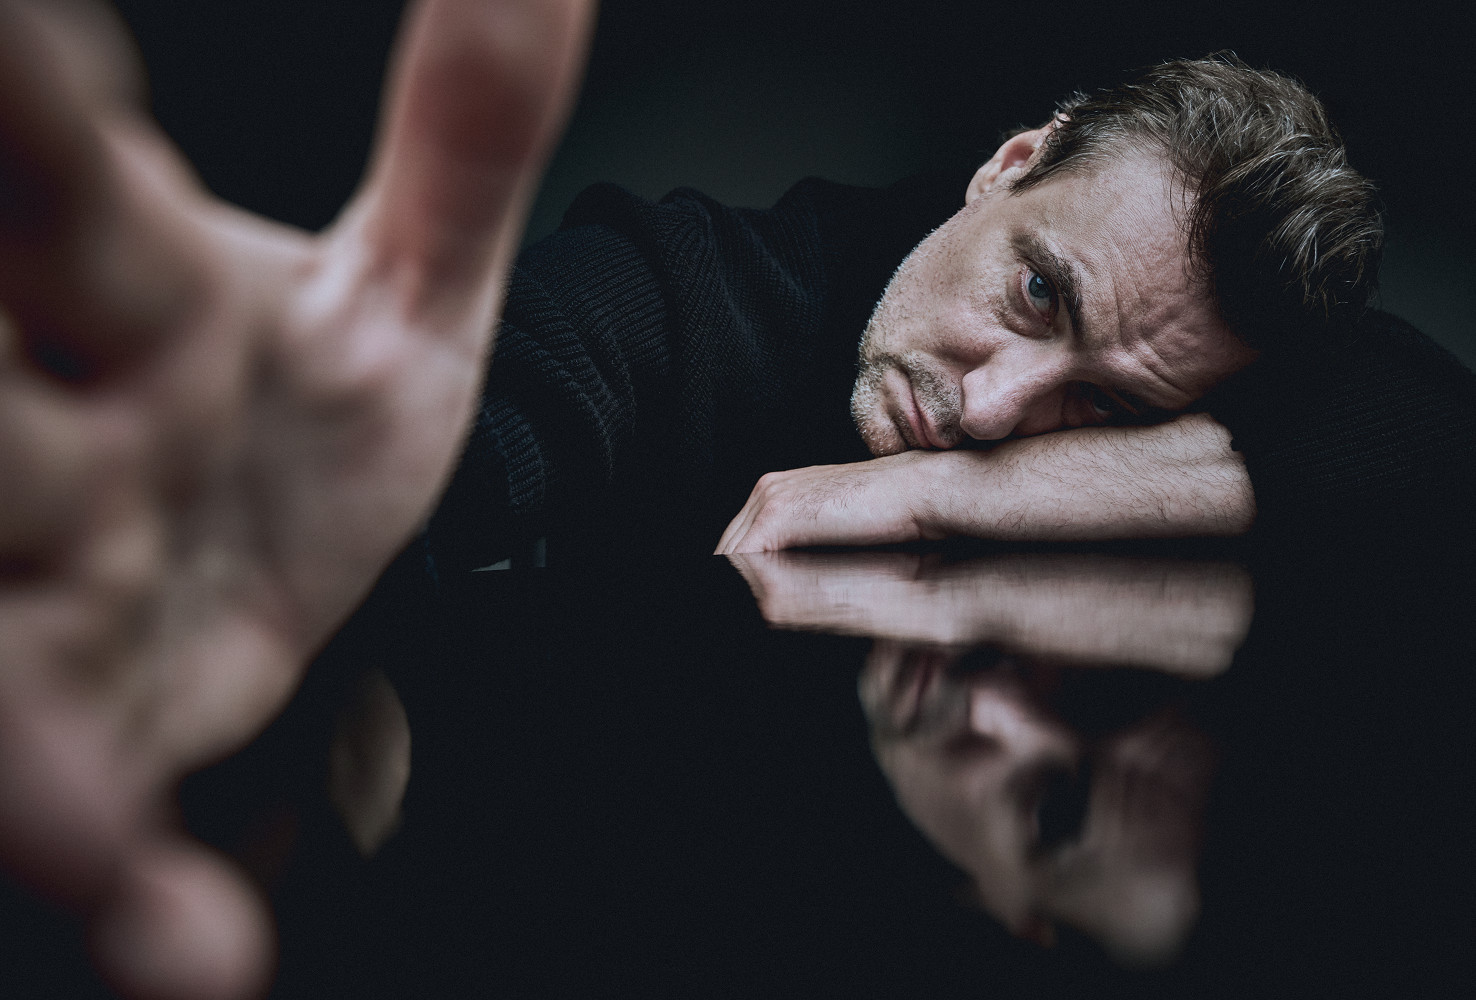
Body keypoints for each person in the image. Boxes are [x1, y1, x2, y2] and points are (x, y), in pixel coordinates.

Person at [0, 1, 1470, 998]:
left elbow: (1425, 432)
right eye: (1038, 293)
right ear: (1011, 166)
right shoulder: (690, 291)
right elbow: (490, 421)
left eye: (1107, 405)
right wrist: (310, 526)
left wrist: (913, 505)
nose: (994, 411)